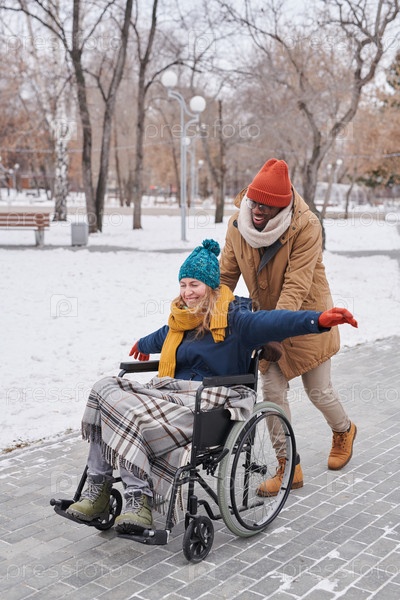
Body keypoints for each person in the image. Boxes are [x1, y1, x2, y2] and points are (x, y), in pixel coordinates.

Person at [66, 239, 357, 533]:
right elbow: (161, 336)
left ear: (212, 287)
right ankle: (98, 489)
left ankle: (137, 499)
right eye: (183, 284)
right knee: (104, 388)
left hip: (209, 404)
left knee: (124, 410)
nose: (187, 292)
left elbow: (275, 321)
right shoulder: (181, 321)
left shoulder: (236, 319)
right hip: (170, 394)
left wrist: (318, 320)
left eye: (195, 284)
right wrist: (142, 345)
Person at [219, 158, 358, 495]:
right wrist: (209, 312)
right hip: (268, 320)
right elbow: (225, 277)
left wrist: (272, 328)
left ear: (282, 207)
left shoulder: (306, 226)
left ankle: (344, 430)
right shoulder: (238, 225)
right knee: (272, 392)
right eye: (255, 202)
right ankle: (288, 465)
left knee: (318, 390)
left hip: (309, 318)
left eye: (267, 206)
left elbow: (297, 284)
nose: (258, 210)